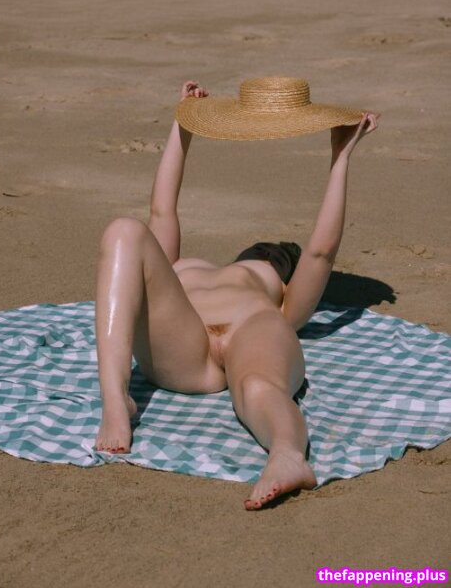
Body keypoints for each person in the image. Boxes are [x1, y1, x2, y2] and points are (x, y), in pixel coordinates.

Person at [94, 79, 379, 510]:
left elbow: (321, 252)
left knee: (260, 387)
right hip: (183, 343)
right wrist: (184, 123)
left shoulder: (283, 300)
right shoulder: (178, 266)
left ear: (285, 276)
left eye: (277, 259)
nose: (267, 253)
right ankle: (116, 400)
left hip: (251, 330)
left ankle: (287, 456)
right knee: (123, 230)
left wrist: (341, 157)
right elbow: (162, 210)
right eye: (264, 252)